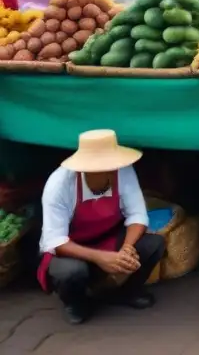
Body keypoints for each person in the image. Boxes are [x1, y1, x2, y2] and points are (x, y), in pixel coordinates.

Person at [37, 130, 165, 324]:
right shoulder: (59, 185)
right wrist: (100, 257)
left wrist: (126, 249)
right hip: (70, 249)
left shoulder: (123, 170)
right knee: (71, 272)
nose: (113, 173)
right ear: (86, 170)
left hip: (108, 238)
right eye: (105, 168)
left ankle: (126, 292)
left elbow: (137, 214)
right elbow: (55, 241)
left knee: (153, 244)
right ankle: (76, 302)